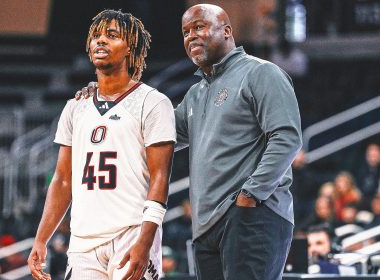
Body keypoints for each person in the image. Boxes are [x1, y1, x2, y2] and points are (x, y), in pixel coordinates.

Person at [76, 4, 302, 280]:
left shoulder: (261, 73)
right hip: (206, 225)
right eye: (185, 32)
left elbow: (287, 138)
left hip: (253, 217)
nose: (191, 36)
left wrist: (251, 195)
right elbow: (152, 132)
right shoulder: (196, 93)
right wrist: (108, 95)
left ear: (227, 31)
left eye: (199, 27)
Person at [28, 9, 176, 280]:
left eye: (111, 35)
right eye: (96, 36)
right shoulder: (75, 106)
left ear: (130, 47)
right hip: (83, 241)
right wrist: (41, 238)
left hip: (131, 233)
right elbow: (62, 179)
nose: (100, 41)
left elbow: (160, 177)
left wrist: (146, 241)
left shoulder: (153, 102)